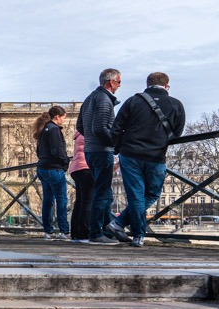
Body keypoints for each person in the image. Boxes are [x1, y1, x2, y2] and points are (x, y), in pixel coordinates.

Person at [109, 72, 185, 247]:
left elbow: (117, 128)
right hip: (157, 156)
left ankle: (136, 234)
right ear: (167, 86)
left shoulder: (133, 101)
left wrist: (118, 149)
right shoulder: (176, 104)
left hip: (130, 155)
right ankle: (121, 225)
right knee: (151, 194)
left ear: (147, 84)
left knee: (136, 196)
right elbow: (177, 133)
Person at [77, 68, 121, 245]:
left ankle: (106, 230)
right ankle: (96, 233)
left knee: (105, 192)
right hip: (102, 151)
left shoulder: (89, 99)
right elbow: (100, 128)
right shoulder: (104, 99)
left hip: (90, 150)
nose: (118, 86)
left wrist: (91, 140)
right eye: (118, 82)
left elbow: (81, 126)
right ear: (111, 82)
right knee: (102, 192)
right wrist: (115, 144)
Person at [34, 105, 71, 240]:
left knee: (48, 201)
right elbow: (57, 150)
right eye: (63, 118)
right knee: (61, 200)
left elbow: (38, 151)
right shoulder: (54, 130)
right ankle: (64, 231)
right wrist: (65, 162)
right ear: (57, 117)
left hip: (42, 168)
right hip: (54, 168)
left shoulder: (44, 129)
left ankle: (48, 231)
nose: (63, 121)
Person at [68, 128, 92, 243]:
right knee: (87, 202)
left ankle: (75, 234)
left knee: (79, 202)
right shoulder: (89, 132)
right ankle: (84, 233)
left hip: (75, 168)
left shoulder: (79, 134)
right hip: (85, 167)